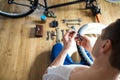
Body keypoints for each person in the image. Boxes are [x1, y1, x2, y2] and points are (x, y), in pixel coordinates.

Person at [42, 19, 120, 80]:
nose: (98, 38)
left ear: (105, 45)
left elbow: (46, 75)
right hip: (95, 70)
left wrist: (65, 49)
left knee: (58, 46)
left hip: (68, 72)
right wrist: (90, 50)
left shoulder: (59, 75)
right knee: (85, 52)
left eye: (101, 34)